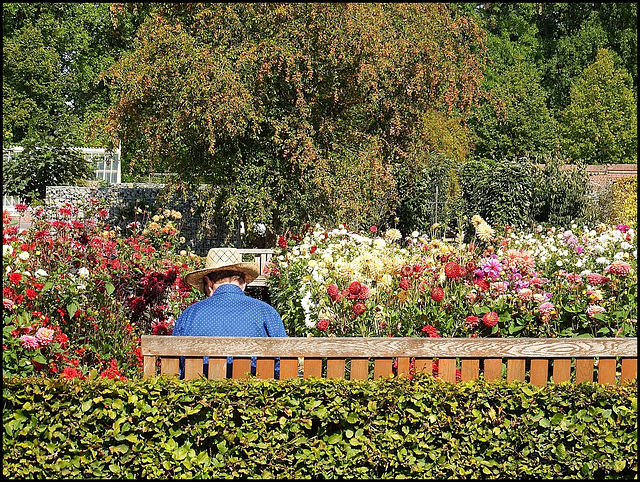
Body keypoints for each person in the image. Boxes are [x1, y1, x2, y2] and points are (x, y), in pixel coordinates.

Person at [172, 247, 287, 378]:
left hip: (200, 396)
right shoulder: (266, 312)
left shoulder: (190, 315)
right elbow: (282, 364)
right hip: (255, 395)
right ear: (243, 282)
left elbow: (177, 367)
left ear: (208, 283)